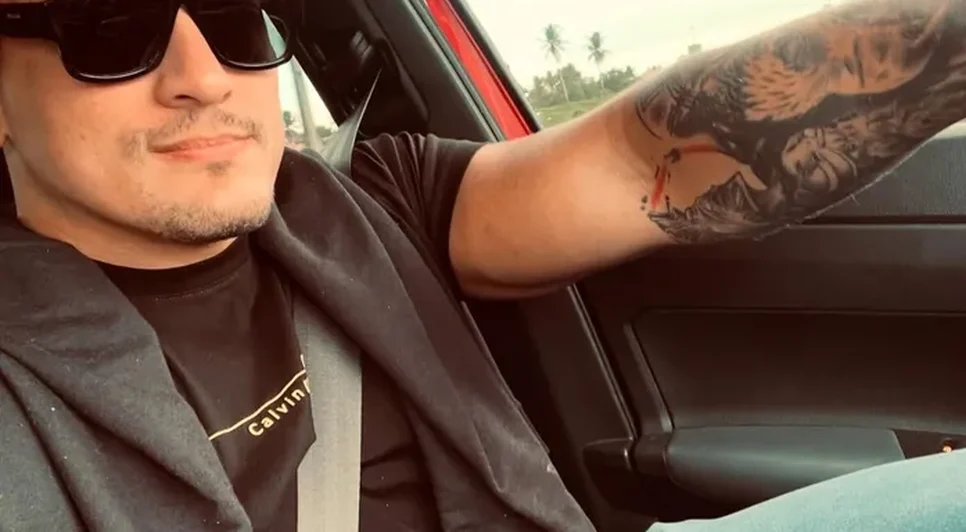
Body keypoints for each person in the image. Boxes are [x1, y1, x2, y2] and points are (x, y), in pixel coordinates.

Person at [0, 0, 963, 530]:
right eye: (110, 31)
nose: (203, 76)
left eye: (233, 21)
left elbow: (644, 158)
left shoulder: (377, 203)